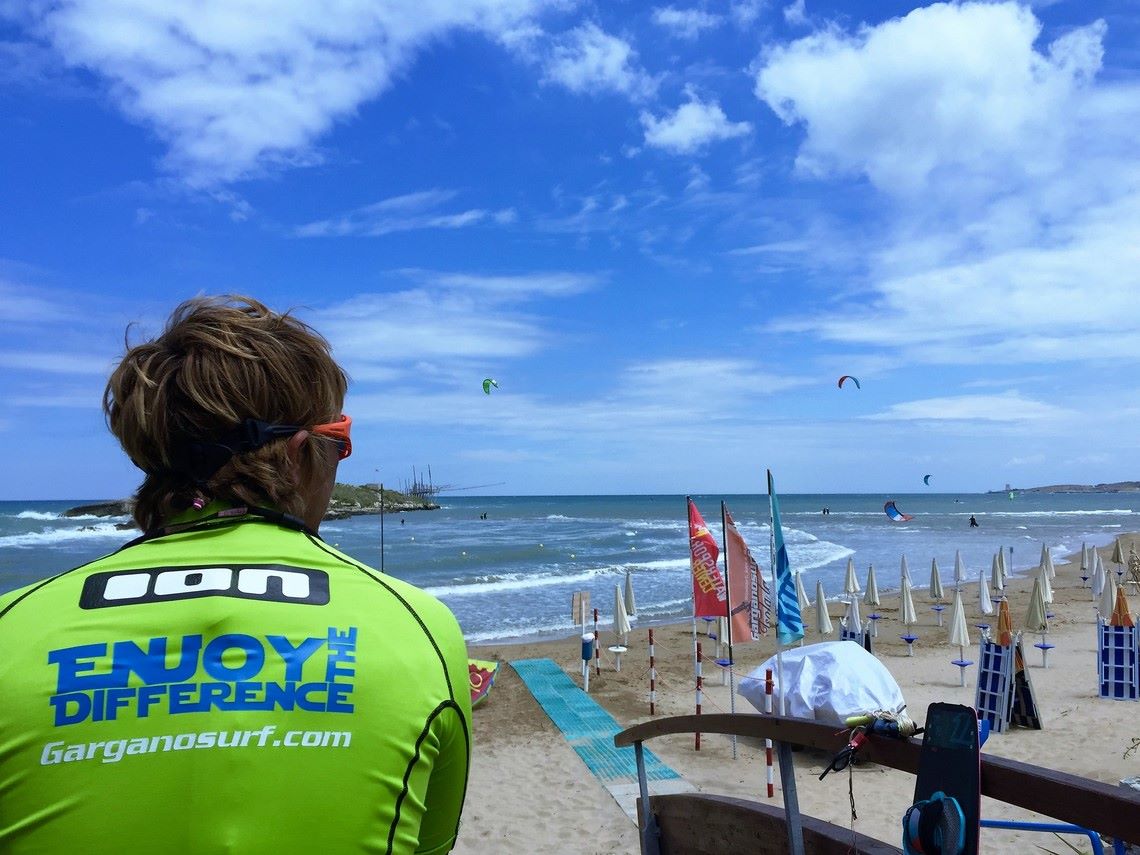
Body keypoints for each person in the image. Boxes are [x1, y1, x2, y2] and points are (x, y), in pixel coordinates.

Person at [0, 296, 471, 854]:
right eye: (339, 441)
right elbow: (430, 844)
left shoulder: (12, 627)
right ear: (300, 453)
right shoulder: (420, 630)